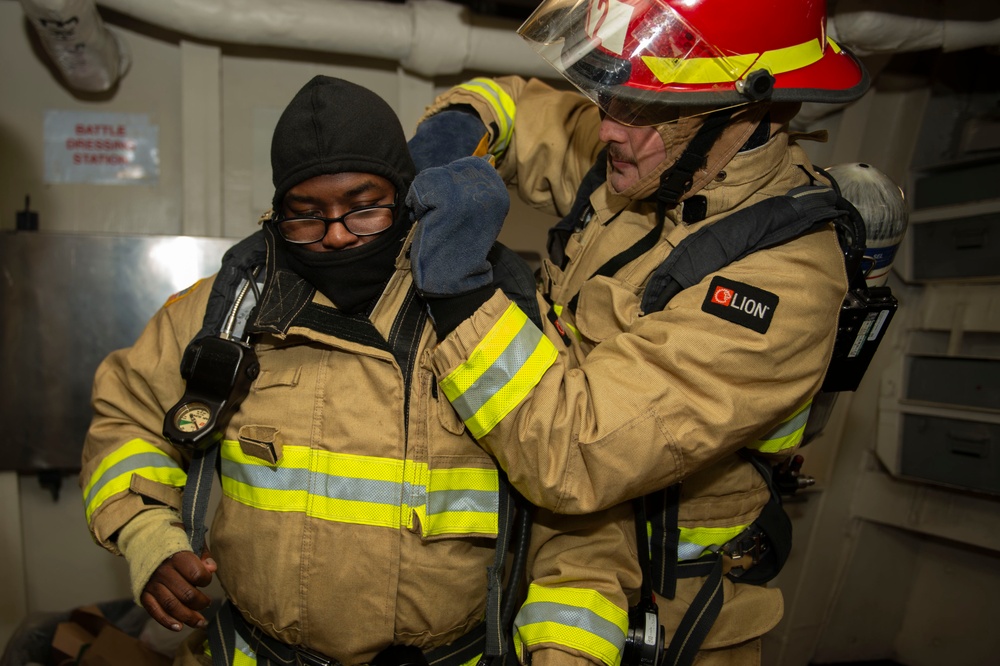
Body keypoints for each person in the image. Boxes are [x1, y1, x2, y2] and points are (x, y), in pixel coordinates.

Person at [80, 75, 638, 666]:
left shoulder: (484, 317)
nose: (339, 234)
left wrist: (564, 653)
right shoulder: (224, 311)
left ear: (403, 194)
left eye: (364, 207)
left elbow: (580, 518)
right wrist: (146, 533)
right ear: (277, 212)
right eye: (307, 215)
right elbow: (127, 419)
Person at [404, 0, 872, 664]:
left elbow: (571, 455)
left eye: (648, 109)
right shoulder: (642, 156)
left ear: (752, 111)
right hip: (533, 564)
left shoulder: (784, 279)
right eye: (609, 94)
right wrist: (456, 128)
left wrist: (458, 295)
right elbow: (508, 105)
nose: (609, 128)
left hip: (674, 620)